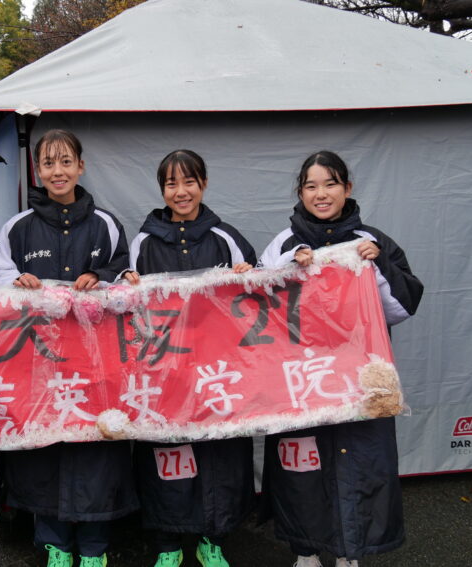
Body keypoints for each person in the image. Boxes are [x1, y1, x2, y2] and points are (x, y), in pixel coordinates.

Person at [258, 151, 424, 567]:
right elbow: (259, 310)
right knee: (302, 467)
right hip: (301, 381)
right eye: (311, 186)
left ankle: (353, 551)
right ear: (300, 192)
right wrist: (287, 267)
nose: (321, 194)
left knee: (360, 464)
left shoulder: (372, 240)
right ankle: (306, 551)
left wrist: (376, 264)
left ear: (347, 188)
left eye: (330, 184)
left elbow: (401, 308)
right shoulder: (283, 243)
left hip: (359, 380)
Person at [0, 129, 137, 567]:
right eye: (48, 163)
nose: (57, 171)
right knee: (44, 450)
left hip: (96, 367)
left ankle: (93, 548)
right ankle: (53, 545)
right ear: (37, 170)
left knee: (95, 449)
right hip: (38, 365)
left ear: (81, 167)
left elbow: (126, 276)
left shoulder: (106, 224)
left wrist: (100, 277)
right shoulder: (18, 226)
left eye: (66, 161)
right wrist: (16, 281)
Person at [121, 150, 256, 567]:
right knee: (167, 453)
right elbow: (127, 307)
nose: (181, 192)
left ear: (204, 184)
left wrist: (247, 278)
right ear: (162, 189)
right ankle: (168, 543)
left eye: (189, 182)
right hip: (164, 373)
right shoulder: (143, 242)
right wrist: (127, 284)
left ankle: (212, 539)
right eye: (171, 184)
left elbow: (258, 299)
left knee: (218, 455)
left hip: (219, 371)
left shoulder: (226, 237)